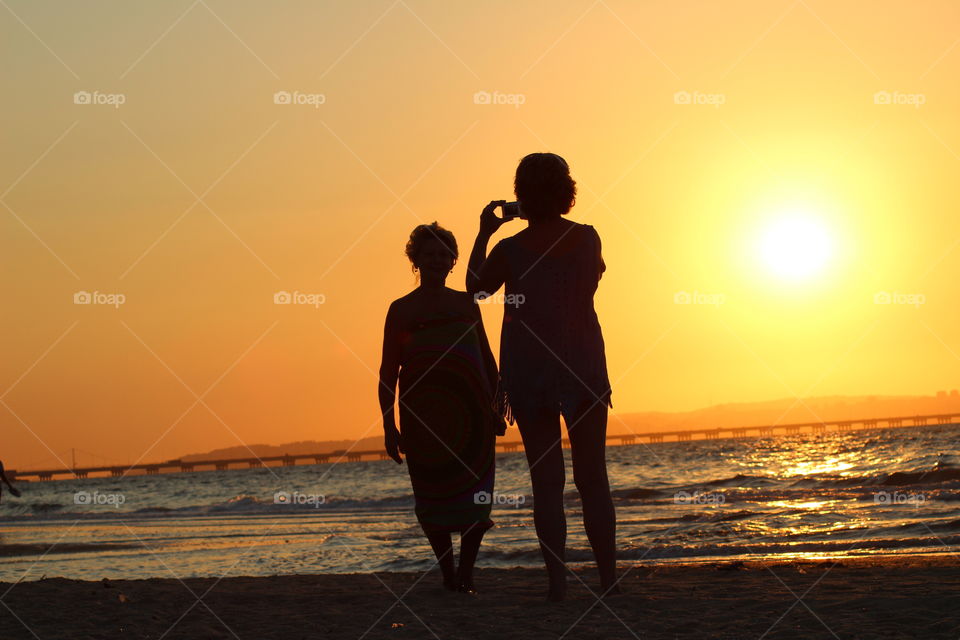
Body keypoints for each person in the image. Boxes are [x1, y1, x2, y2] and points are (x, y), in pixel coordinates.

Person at [465, 153, 619, 601]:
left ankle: (558, 584)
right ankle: (608, 580)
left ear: (521, 195)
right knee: (594, 478)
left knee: (546, 481)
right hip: (583, 362)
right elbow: (595, 278)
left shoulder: (510, 250)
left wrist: (484, 232)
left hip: (530, 368)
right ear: (566, 190)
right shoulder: (587, 239)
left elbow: (475, 288)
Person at [378, 221, 506, 594]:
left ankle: (466, 573)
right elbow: (388, 370)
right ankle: (447, 573)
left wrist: (496, 406)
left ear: (453, 261)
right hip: (422, 418)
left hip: (473, 415)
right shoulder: (401, 309)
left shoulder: (467, 304)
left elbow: (487, 359)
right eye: (428, 254)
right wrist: (389, 426)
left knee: (476, 497)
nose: (436, 260)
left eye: (443, 254)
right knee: (432, 498)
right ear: (415, 260)